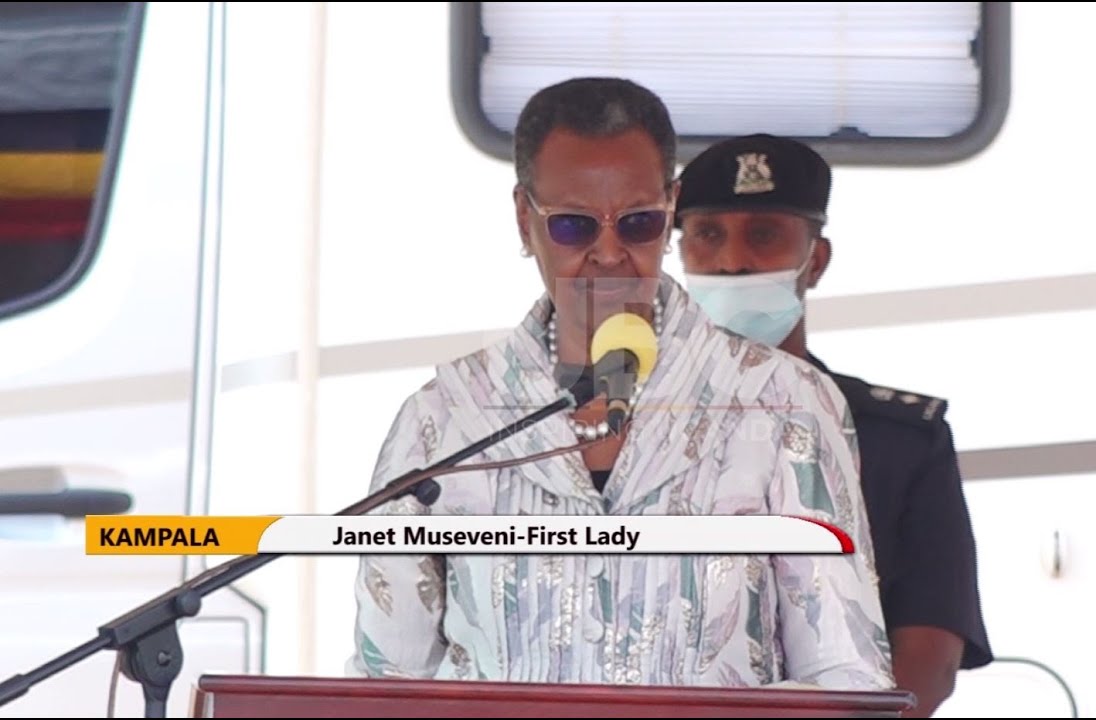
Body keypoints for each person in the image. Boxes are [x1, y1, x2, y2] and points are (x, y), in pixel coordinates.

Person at [345, 79, 895, 691]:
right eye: (575, 227)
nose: (610, 253)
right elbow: (386, 681)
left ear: (671, 209)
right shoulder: (443, 419)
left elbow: (848, 676)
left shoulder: (784, 401)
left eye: (638, 223)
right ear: (525, 220)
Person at [675, 134, 993, 715]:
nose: (732, 260)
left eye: (764, 235)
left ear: (815, 260)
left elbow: (930, 651)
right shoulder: (633, 427)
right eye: (707, 235)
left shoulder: (901, 440)